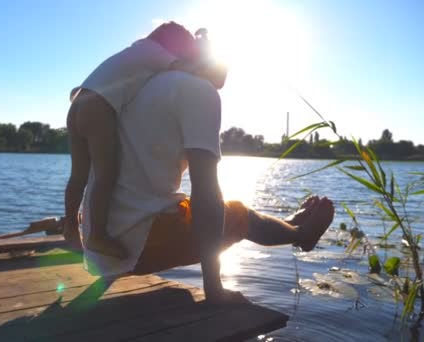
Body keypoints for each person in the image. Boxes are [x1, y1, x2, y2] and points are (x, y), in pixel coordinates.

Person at [66, 46, 335, 304]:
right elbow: (205, 191)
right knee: (240, 214)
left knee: (209, 210)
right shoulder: (200, 90)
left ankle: (287, 225)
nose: (221, 85)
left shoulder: (140, 85)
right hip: (134, 250)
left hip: (99, 246)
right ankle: (301, 234)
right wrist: (213, 288)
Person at [64, 22, 207, 259]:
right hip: (99, 107)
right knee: (106, 173)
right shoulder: (157, 53)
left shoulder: (136, 50)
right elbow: (187, 70)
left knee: (79, 175)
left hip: (79, 103)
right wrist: (204, 52)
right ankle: (97, 235)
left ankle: (69, 226)